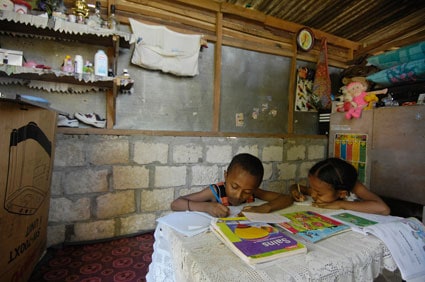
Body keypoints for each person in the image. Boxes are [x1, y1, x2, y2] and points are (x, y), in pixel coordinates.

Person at [170, 153, 293, 217]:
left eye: (247, 191)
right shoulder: (216, 191)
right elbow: (176, 204)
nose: (239, 195)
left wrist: (264, 208)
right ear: (226, 176)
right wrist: (207, 207)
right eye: (234, 187)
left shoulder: (253, 192)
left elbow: (287, 198)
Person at [290, 157, 390, 215]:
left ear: (342, 193)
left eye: (319, 194)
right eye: (312, 188)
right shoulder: (323, 189)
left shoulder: (355, 186)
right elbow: (300, 188)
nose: (313, 195)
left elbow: (384, 209)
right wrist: (294, 189)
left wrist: (340, 204)